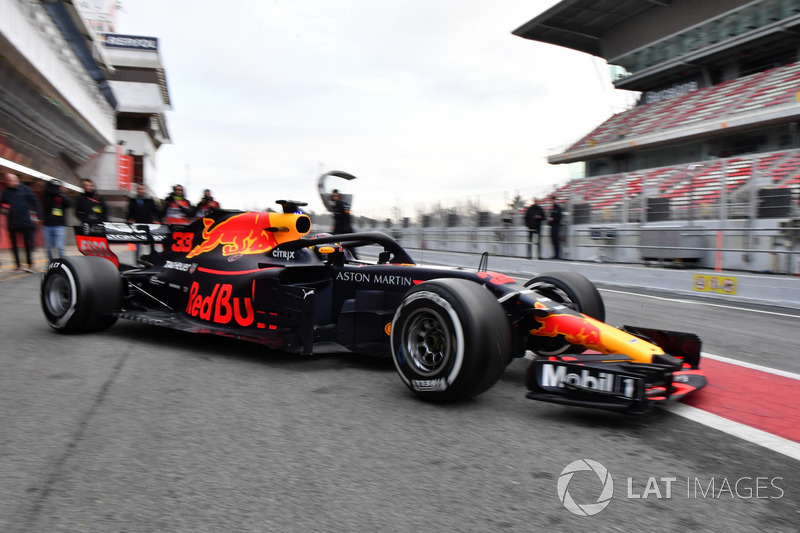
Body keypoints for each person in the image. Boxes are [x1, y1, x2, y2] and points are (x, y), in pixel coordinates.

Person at [0, 172, 40, 272]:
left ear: (16, 180)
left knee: (27, 243)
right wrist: (3, 209)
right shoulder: (6, 192)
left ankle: (30, 264)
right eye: (7, 181)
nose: (9, 183)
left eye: (11, 180)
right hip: (12, 221)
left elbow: (35, 202)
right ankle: (17, 265)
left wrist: (38, 216)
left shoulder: (26, 189)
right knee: (13, 244)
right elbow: (2, 204)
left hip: (25, 221)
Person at [127, 183, 160, 260]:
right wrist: (128, 221)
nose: (140, 191)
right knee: (138, 244)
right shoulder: (133, 200)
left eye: (142, 189)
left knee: (151, 244)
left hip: (148, 225)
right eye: (139, 189)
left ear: (145, 190)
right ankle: (137, 261)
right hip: (137, 225)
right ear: (137, 190)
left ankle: (152, 259)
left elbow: (155, 211)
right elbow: (130, 212)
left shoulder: (149, 200)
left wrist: (159, 220)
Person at [42, 179, 72, 261]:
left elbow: (69, 204)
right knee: (48, 248)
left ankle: (62, 264)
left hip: (60, 225)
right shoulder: (46, 196)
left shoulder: (62, 197)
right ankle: (51, 264)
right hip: (47, 225)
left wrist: (62, 194)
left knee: (59, 247)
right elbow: (46, 202)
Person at [330, 189, 357, 259]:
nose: (335, 197)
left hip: (346, 231)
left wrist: (346, 231)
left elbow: (347, 218)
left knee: (351, 250)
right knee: (338, 249)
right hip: (338, 232)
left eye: (336, 196)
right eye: (333, 196)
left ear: (339, 196)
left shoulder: (344, 205)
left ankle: (358, 263)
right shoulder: (334, 207)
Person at [547, 195, 564, 260]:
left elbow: (559, 217)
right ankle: (555, 255)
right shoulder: (552, 208)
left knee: (556, 241)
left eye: (551, 200)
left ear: (554, 200)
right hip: (552, 226)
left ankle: (557, 255)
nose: (551, 201)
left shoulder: (558, 208)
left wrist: (553, 219)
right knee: (553, 241)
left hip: (556, 226)